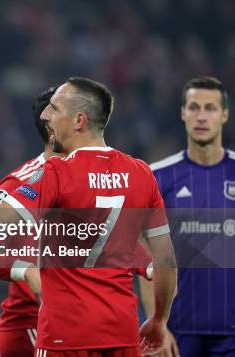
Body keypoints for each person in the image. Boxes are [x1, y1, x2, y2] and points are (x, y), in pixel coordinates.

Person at [0, 77, 178, 356]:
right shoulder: (141, 173)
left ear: (79, 121)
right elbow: (165, 260)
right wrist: (158, 321)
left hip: (64, 335)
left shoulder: (56, 173)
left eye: (54, 109)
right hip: (118, 333)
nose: (44, 115)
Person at [0, 88, 155, 357]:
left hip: (87, 324)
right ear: (53, 129)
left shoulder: (89, 177)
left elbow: (103, 240)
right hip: (32, 324)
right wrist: (27, 270)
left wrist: (148, 264)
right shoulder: (23, 180)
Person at [144, 76, 234, 357]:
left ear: (224, 115)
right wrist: (158, 324)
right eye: (194, 107)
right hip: (178, 332)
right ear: (183, 113)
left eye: (210, 108)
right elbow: (147, 259)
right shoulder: (157, 177)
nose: (202, 116)